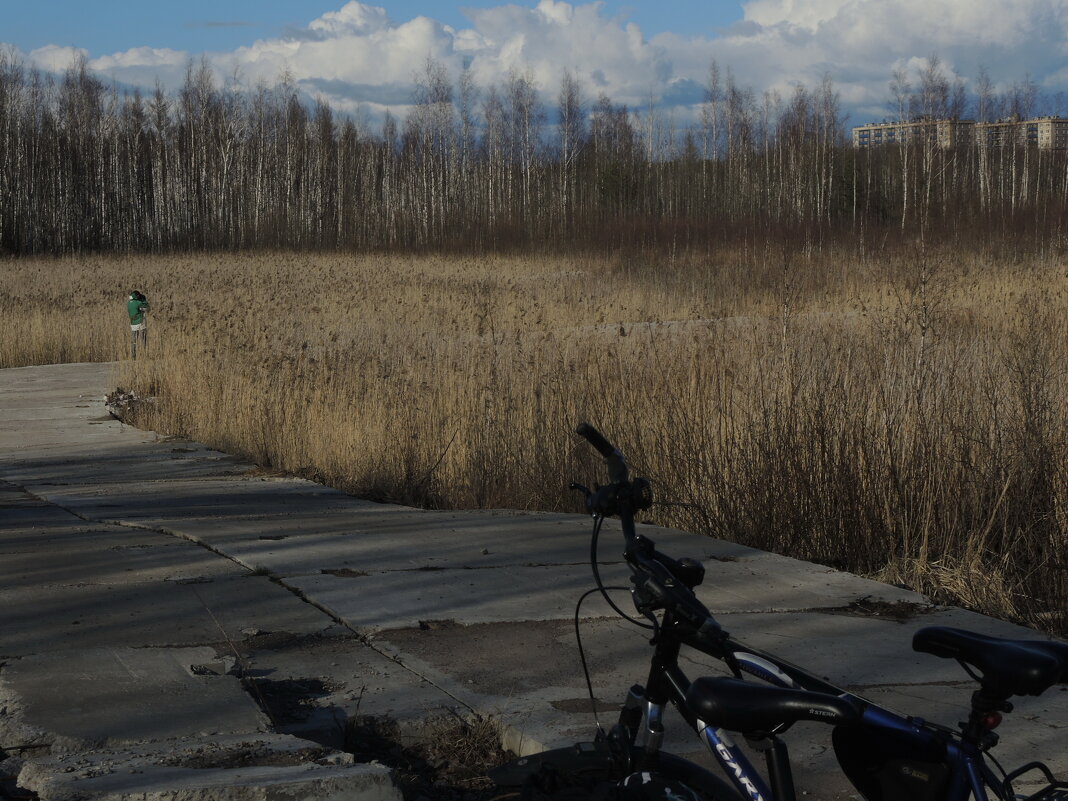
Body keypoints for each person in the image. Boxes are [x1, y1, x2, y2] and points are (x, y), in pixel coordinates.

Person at [127, 290, 150, 357]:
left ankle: (133, 356)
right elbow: (147, 308)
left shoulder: (129, 303)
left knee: (134, 340)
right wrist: (144, 300)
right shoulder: (138, 303)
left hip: (133, 323)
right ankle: (146, 355)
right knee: (143, 339)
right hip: (140, 321)